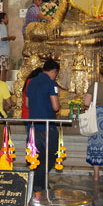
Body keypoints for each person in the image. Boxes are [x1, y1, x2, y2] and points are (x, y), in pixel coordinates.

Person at [26, 59, 60, 192]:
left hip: (32, 126)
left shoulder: (31, 82)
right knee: (52, 155)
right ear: (53, 71)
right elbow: (56, 107)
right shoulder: (51, 83)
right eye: (55, 74)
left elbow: (28, 104)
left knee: (36, 156)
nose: (54, 76)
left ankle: (39, 183)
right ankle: (38, 183)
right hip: (46, 126)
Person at [0, 12, 16, 81]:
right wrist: (11, 37)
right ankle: (2, 86)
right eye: (6, 18)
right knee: (4, 71)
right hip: (3, 53)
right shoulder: (2, 26)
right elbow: (2, 38)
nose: (7, 19)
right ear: (2, 19)